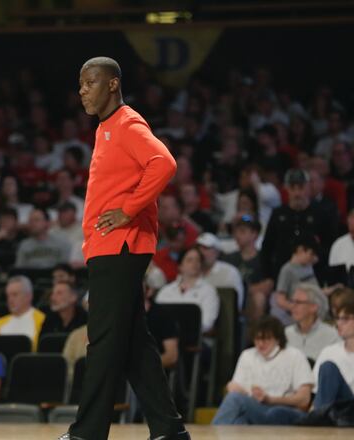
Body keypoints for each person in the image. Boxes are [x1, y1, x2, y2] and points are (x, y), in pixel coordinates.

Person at [62, 57, 187, 440]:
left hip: (120, 245)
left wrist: (127, 210)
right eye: (81, 83)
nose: (83, 90)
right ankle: (169, 430)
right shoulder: (106, 128)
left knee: (101, 340)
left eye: (91, 82)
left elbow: (164, 163)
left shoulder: (127, 122)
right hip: (108, 246)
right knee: (133, 343)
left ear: (113, 84)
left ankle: (88, 432)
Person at [212, 316, 313, 425]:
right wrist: (247, 393)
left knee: (238, 401)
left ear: (278, 339)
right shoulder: (247, 355)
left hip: (284, 410)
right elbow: (236, 387)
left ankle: (209, 436)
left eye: (266, 339)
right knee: (238, 421)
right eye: (257, 339)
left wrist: (270, 399)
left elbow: (304, 399)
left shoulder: (295, 356)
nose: (260, 344)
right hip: (255, 407)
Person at [155, 247, 220, 333]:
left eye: (198, 260)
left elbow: (207, 324)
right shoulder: (166, 291)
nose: (194, 263)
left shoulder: (208, 291)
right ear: (180, 266)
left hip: (195, 340)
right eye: (190, 260)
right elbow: (156, 318)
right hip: (166, 338)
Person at [224, 214, 274, 321]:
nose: (237, 235)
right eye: (236, 231)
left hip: (251, 300)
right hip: (232, 298)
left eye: (242, 231)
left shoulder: (264, 258)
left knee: (259, 298)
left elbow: (267, 285)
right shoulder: (228, 258)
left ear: (254, 234)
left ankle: (254, 334)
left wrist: (244, 290)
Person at [270, 235, 319, 326]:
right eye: (311, 254)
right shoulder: (287, 270)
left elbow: (315, 290)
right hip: (294, 314)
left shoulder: (309, 267)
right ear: (300, 250)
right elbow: (280, 299)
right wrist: (298, 308)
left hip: (312, 308)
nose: (312, 258)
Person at [284, 284, 340, 362]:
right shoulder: (284, 334)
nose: (293, 306)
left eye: (298, 302)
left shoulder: (332, 336)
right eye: (292, 301)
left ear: (314, 307)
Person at [0, 275, 45, 351]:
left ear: (28, 296)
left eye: (15, 295)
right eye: (8, 296)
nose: (10, 300)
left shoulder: (42, 320)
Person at [196, 233, 244, 310]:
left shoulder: (229, 272)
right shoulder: (190, 271)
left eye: (206, 248)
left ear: (217, 252)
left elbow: (236, 305)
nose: (201, 252)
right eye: (198, 248)